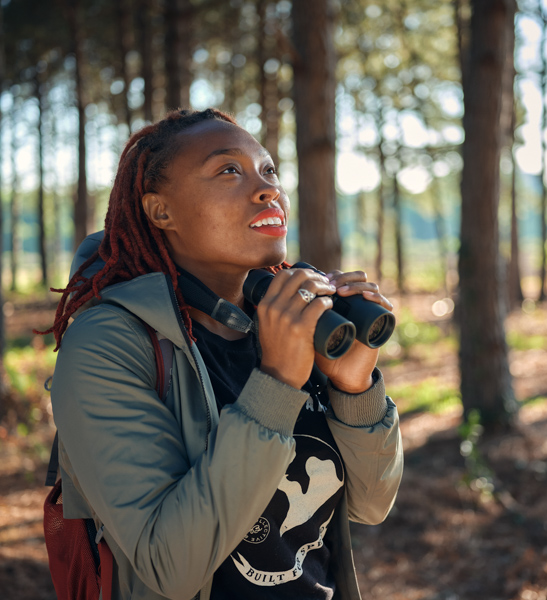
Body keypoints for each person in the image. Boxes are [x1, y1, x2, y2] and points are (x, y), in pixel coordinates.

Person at [43, 108, 403, 600]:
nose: (266, 189)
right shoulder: (109, 343)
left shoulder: (285, 320)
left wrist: (354, 387)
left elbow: (370, 504)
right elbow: (169, 565)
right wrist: (276, 382)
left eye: (269, 170)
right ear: (160, 211)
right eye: (229, 170)